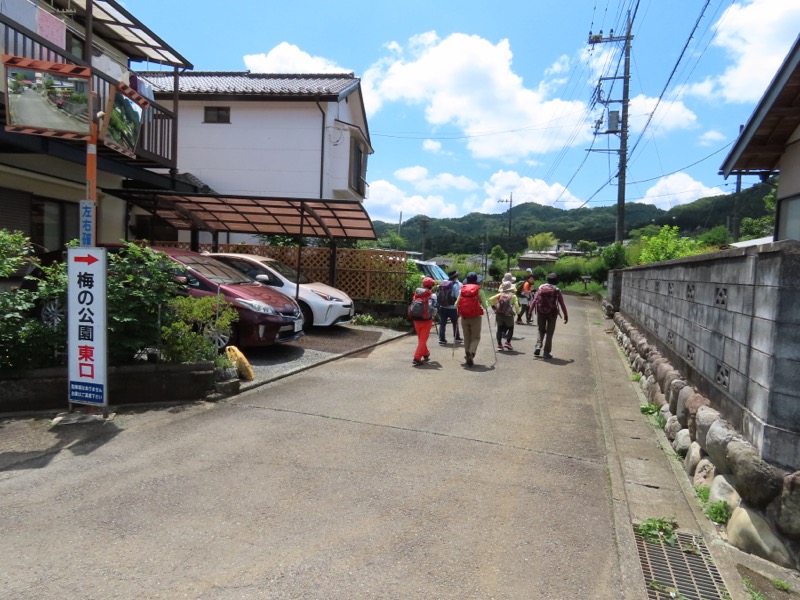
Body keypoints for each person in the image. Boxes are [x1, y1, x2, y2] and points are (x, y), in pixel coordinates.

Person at [531, 273, 568, 359]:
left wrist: (530, 311)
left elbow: (535, 300)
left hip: (540, 312)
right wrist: (565, 315)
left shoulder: (541, 288)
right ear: (556, 281)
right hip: (552, 313)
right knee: (549, 333)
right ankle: (546, 352)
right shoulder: (556, 289)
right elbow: (561, 304)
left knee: (541, 330)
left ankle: (538, 345)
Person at [455, 272, 489, 367]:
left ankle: (467, 355)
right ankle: (471, 352)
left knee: (467, 337)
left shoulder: (462, 290)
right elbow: (485, 305)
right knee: (476, 337)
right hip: (475, 317)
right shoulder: (479, 291)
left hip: (464, 317)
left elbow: (456, 303)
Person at [409, 277, 437, 366]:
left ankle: (426, 353)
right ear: (431, 286)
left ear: (423, 284)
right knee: (423, 340)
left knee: (421, 339)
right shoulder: (432, 295)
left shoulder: (417, 293)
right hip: (426, 320)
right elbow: (434, 309)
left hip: (416, 319)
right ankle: (417, 358)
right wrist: (434, 315)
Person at [488, 280, 520, 351]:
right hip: (508, 315)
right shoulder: (513, 296)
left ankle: (499, 345)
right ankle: (508, 343)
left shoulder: (499, 295)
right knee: (511, 328)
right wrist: (518, 313)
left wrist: (494, 308)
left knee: (499, 329)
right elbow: (517, 306)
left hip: (499, 314)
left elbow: (490, 300)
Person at [437, 270, 461, 345]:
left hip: (442, 306)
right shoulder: (456, 284)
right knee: (455, 323)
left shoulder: (443, 283)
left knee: (443, 323)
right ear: (455, 277)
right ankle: (456, 337)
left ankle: (442, 339)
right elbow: (457, 296)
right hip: (452, 307)